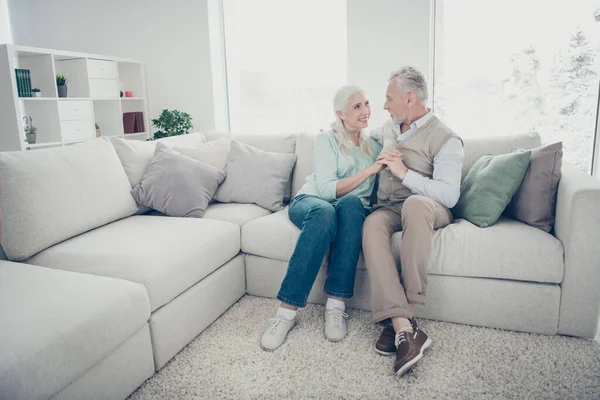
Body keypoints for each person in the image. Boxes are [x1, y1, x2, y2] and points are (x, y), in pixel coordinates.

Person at [260, 84, 384, 351]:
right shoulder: (326, 139)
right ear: (341, 113)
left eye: (367, 103)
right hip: (312, 202)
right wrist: (369, 171)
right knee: (326, 212)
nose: (366, 111)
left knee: (352, 205)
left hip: (348, 208)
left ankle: (336, 305)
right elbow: (327, 190)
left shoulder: (373, 145)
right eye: (357, 106)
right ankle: (285, 314)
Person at [363, 66, 464, 375]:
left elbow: (449, 196)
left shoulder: (446, 139)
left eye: (388, 98)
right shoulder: (389, 127)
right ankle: (403, 327)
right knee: (372, 224)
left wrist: (404, 173)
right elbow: (364, 137)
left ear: (410, 98)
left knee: (416, 205)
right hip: (391, 208)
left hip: (429, 208)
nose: (383, 106)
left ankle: (405, 311)